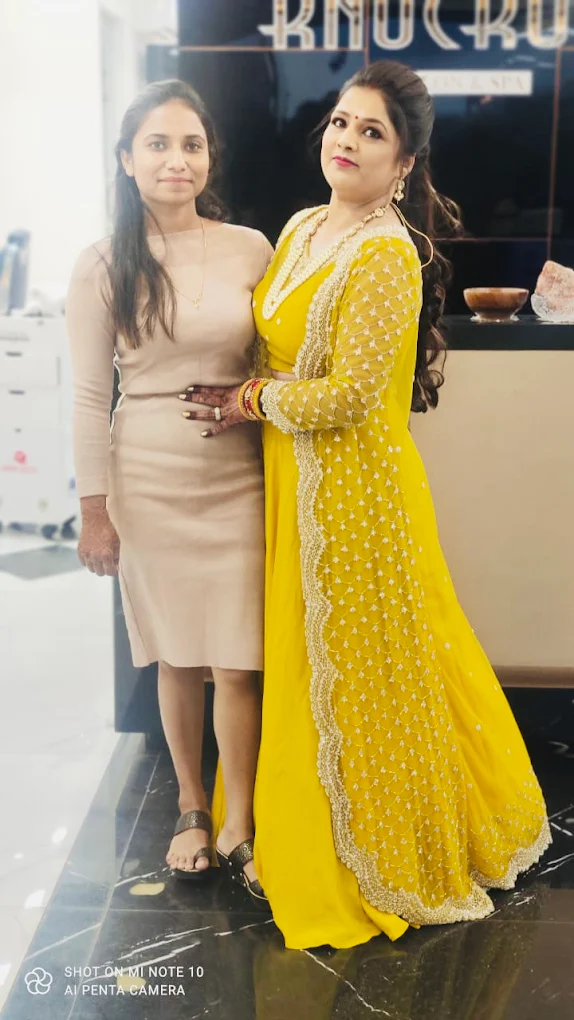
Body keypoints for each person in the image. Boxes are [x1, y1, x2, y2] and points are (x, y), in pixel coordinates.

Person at [181, 60, 551, 949]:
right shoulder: (304, 225)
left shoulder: (386, 254)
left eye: (371, 131)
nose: (346, 140)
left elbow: (348, 397)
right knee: (303, 665)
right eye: (341, 122)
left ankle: (363, 854)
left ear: (405, 162)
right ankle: (290, 825)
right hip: (293, 484)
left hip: (355, 498)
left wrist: (248, 401)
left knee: (360, 680)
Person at [66, 80, 273, 895]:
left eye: (191, 144)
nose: (175, 160)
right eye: (157, 144)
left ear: (209, 157)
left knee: (240, 659)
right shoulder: (102, 264)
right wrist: (94, 512)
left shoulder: (251, 248)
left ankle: (239, 819)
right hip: (147, 476)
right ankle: (192, 804)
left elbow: (280, 361)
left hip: (239, 472)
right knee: (178, 656)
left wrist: (253, 401)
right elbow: (89, 396)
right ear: (127, 159)